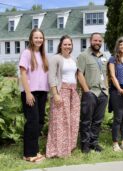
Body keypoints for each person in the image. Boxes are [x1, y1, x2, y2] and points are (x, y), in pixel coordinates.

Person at [46, 35, 80, 158]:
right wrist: (55, 94)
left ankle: (68, 148)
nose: (67, 46)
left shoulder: (73, 59)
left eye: (69, 44)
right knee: (59, 122)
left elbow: (75, 76)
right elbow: (51, 77)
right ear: (60, 45)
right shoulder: (55, 58)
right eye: (65, 44)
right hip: (62, 92)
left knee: (72, 120)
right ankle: (56, 150)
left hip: (73, 92)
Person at [19, 28, 48, 162]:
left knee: (40, 121)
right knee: (32, 122)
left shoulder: (42, 55)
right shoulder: (26, 53)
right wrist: (28, 93)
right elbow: (23, 73)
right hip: (30, 92)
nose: (38, 40)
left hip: (42, 92)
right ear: (31, 39)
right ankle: (29, 154)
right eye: (36, 37)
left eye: (41, 37)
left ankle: (35, 150)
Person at [77, 32, 109, 153]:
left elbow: (106, 74)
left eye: (100, 41)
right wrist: (86, 90)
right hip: (91, 92)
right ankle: (85, 145)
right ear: (91, 41)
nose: (98, 43)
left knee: (98, 121)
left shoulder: (103, 56)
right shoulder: (83, 55)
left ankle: (93, 143)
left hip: (102, 93)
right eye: (95, 40)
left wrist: (106, 89)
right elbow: (79, 73)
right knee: (86, 120)